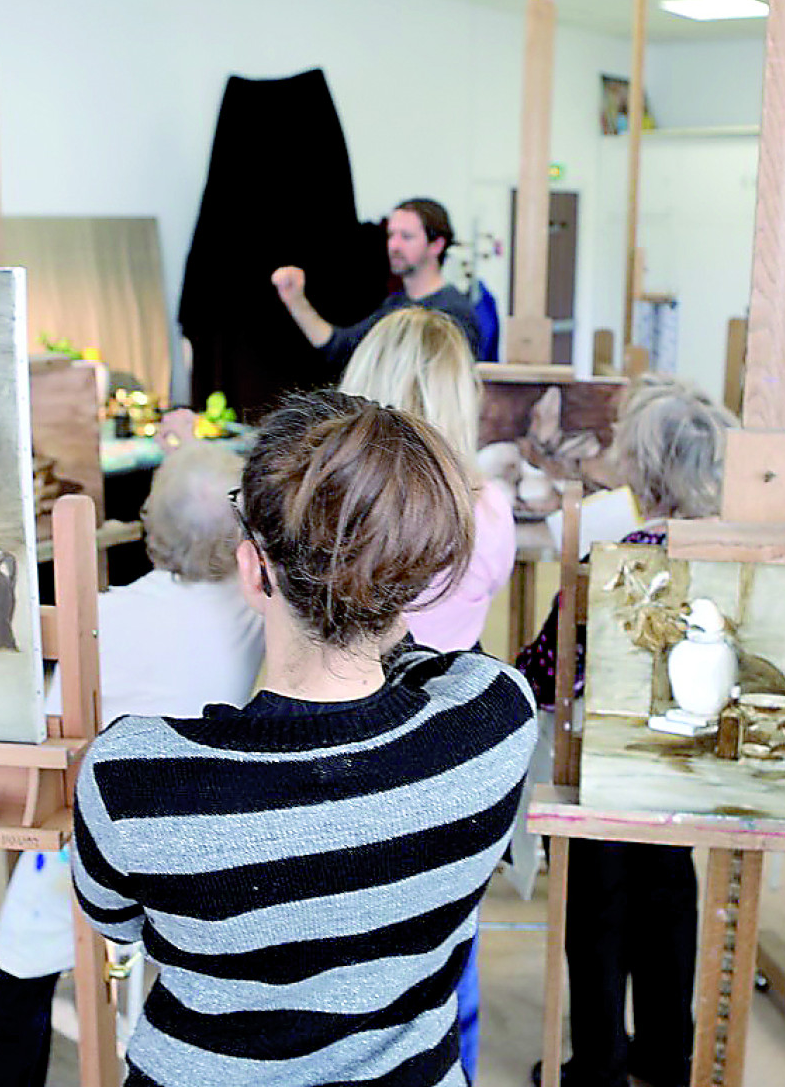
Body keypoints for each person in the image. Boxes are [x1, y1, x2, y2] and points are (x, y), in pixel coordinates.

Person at [71, 390, 538, 1087]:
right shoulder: (497, 720)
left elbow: (118, 924)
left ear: (253, 570)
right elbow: (435, 665)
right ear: (412, 571)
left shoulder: (132, 780)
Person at [0, 441, 265, 1087]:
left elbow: (54, 746)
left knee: (20, 956)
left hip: (100, 847)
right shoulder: (259, 614)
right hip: (211, 848)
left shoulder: (103, 621)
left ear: (149, 526)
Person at [516, 374, 736, 1087]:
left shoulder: (615, 558)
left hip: (607, 779)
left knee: (598, 917)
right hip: (685, 771)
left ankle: (600, 1065)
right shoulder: (724, 554)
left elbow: (553, 663)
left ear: (642, 468)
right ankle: (671, 1056)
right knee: (672, 900)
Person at [339, 308, 517, 1081]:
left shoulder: (344, 507)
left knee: (353, 935)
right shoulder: (486, 509)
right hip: (452, 731)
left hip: (357, 715)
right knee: (451, 934)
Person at [340, 307, 515, 654]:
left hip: (353, 687)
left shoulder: (332, 499)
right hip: (454, 687)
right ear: (462, 396)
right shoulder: (487, 506)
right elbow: (494, 582)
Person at [271, 198, 481, 371]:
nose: (394, 245)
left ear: (436, 245)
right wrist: (294, 299)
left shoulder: (454, 312)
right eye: (391, 235)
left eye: (406, 237)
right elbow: (341, 349)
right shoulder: (394, 304)